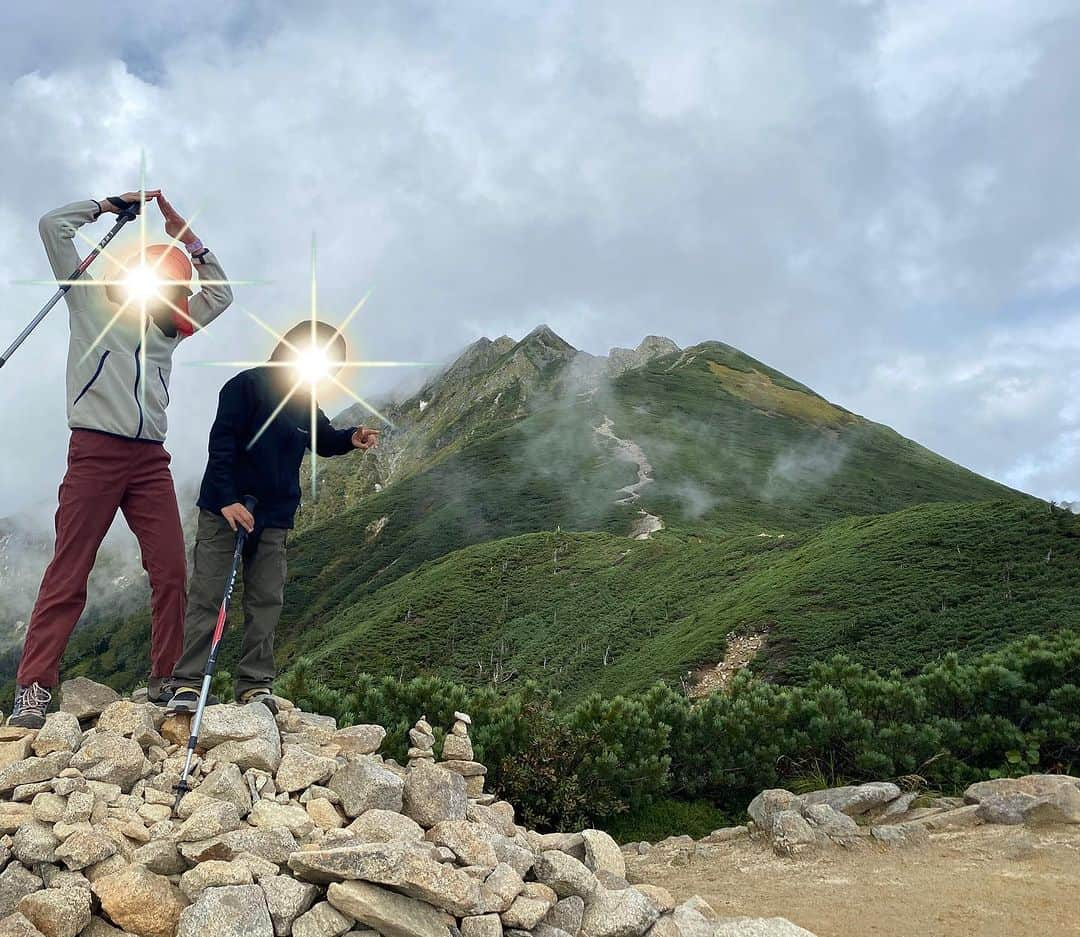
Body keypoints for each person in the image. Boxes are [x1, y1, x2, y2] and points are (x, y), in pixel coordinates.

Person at [8, 191, 234, 728]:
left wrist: (189, 240)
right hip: (94, 451)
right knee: (70, 569)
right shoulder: (90, 303)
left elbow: (221, 293)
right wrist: (108, 204)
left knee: (172, 569)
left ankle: (166, 679)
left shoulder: (170, 332)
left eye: (175, 285)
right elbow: (50, 224)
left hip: (151, 459)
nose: (170, 291)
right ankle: (34, 690)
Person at [167, 321, 379, 714]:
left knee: (266, 599)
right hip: (224, 511)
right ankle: (189, 684)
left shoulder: (304, 401)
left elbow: (323, 437)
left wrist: (350, 437)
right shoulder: (243, 386)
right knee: (210, 595)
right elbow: (222, 446)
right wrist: (228, 500)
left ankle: (254, 685)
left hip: (274, 515)